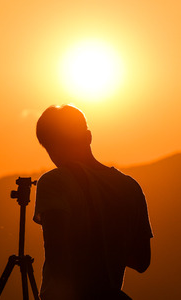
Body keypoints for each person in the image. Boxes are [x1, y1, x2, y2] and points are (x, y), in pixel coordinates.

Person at [33, 104, 153, 300]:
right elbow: (142, 261)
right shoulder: (130, 187)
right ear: (88, 137)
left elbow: (57, 255)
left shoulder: (54, 182)